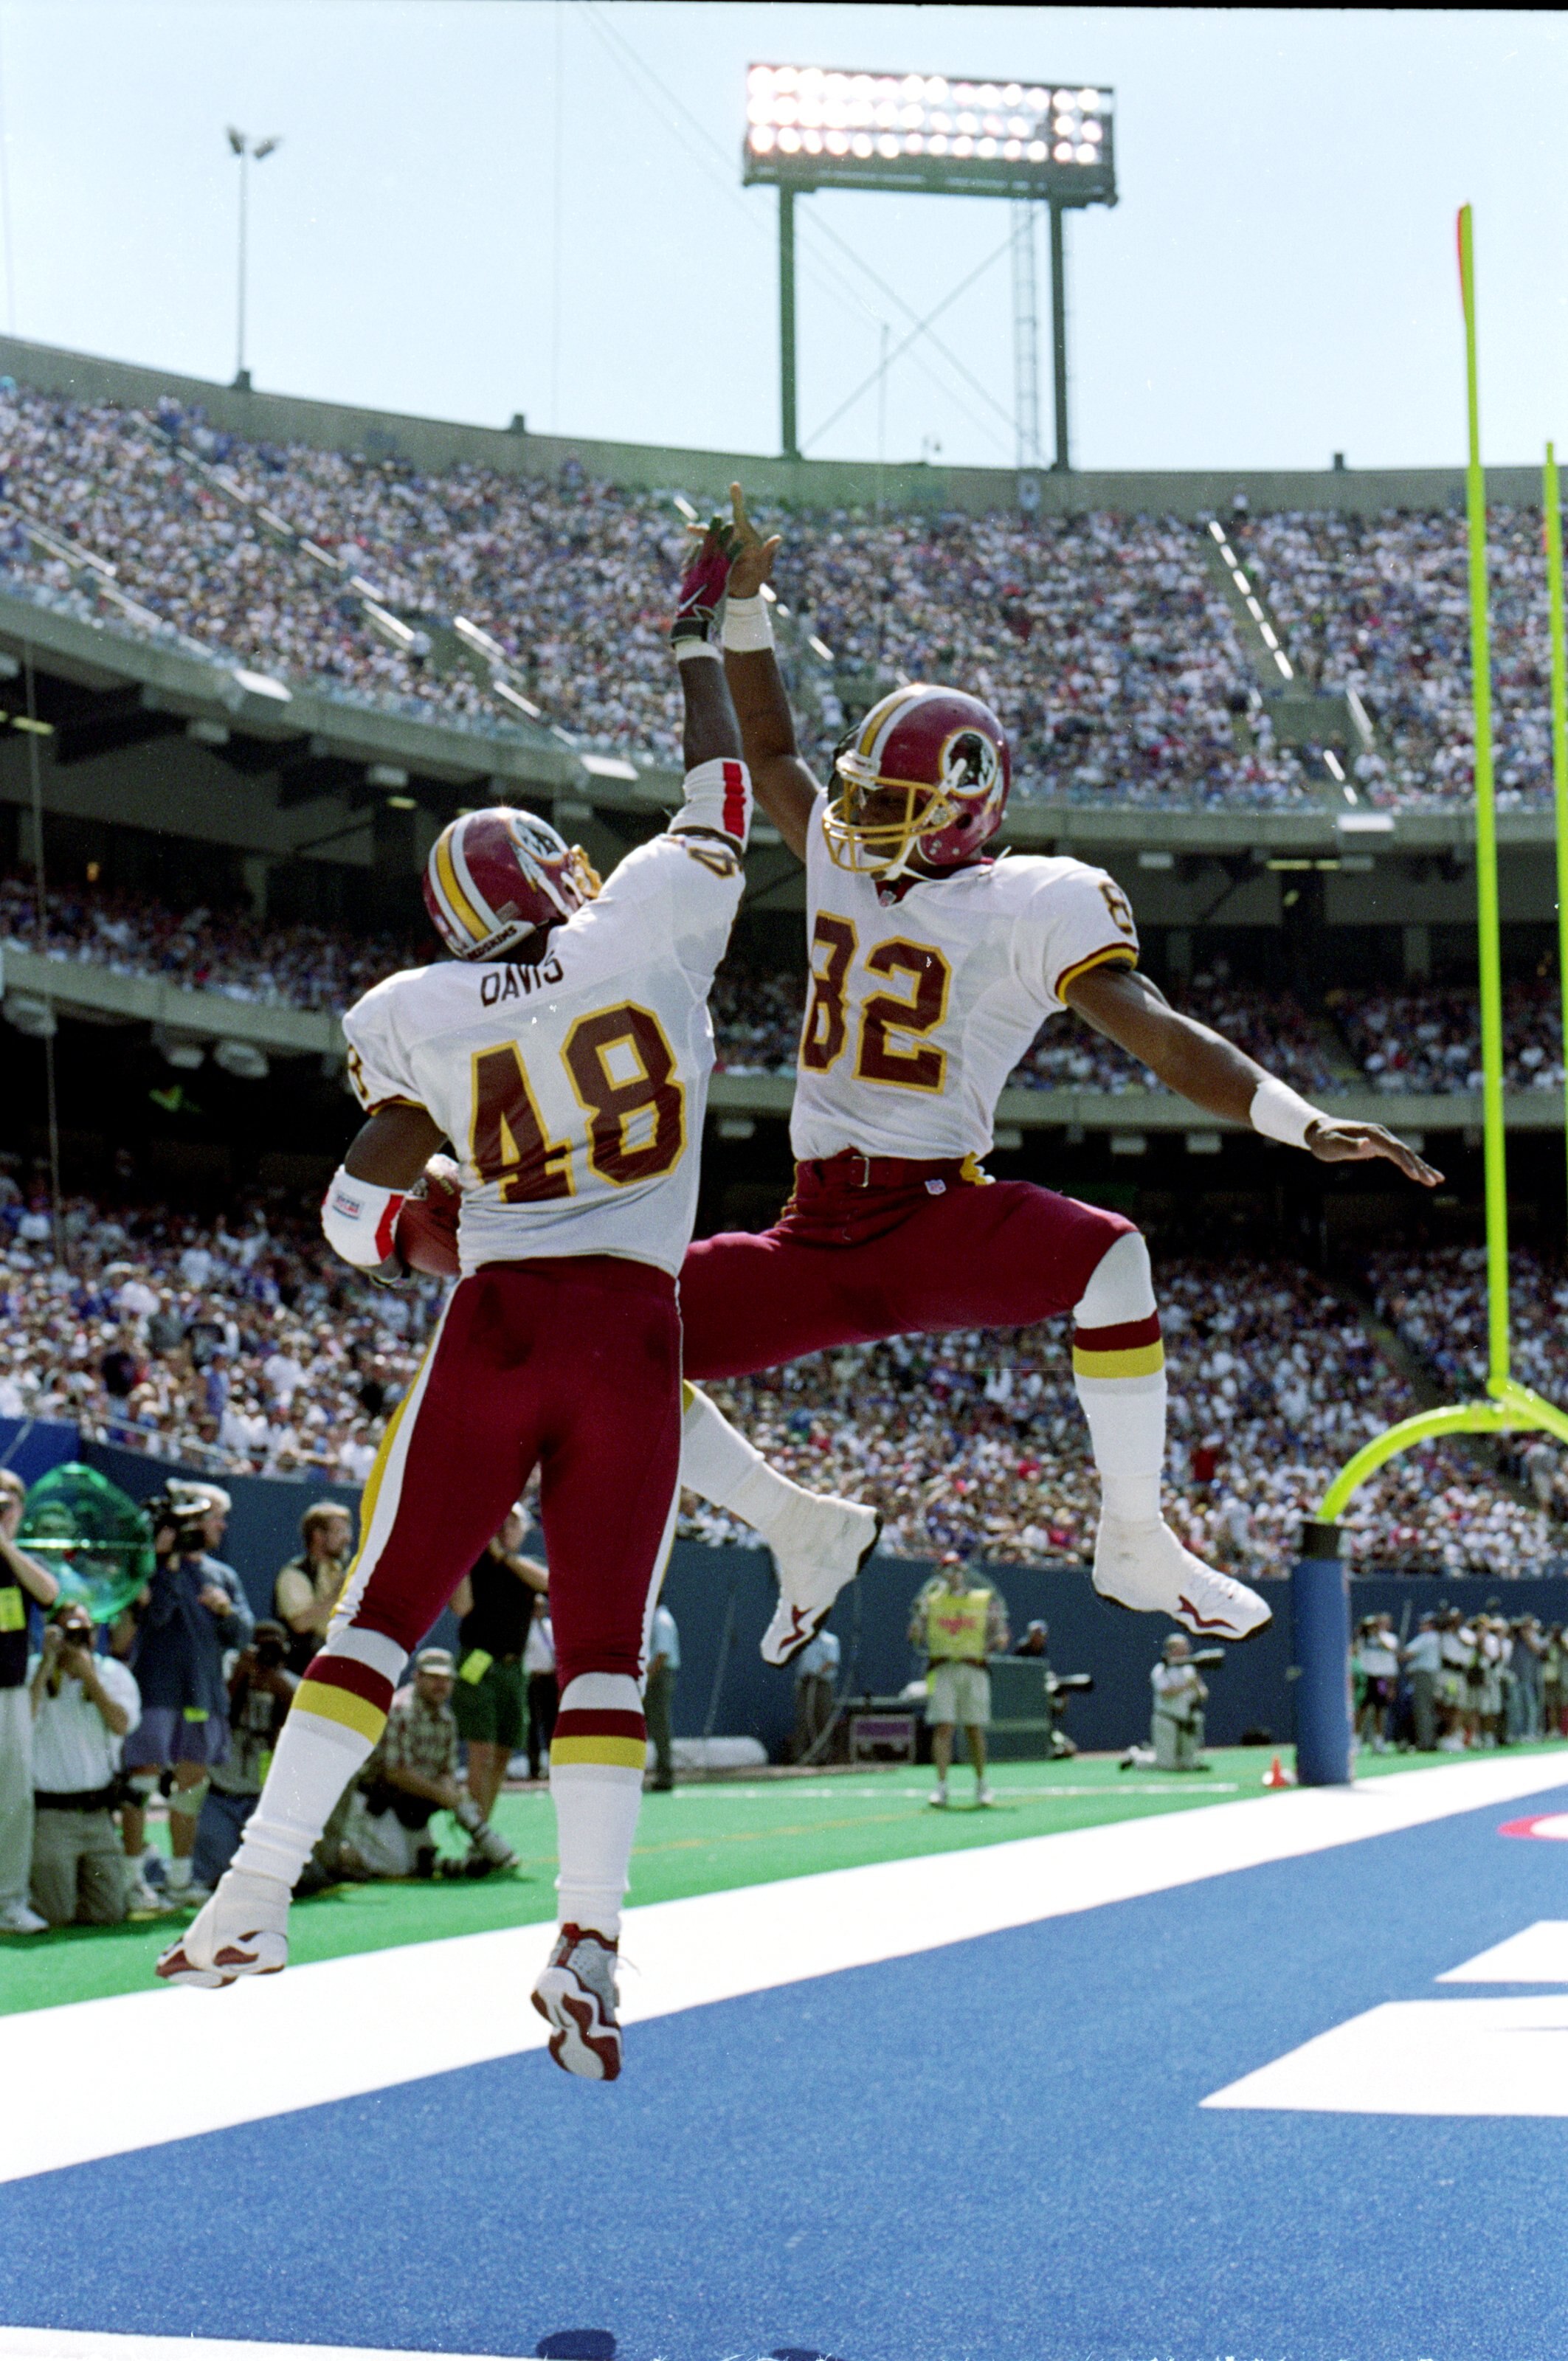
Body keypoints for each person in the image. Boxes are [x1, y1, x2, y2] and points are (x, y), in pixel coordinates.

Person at [161, 518, 759, 2084]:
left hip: (492, 1322)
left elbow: (352, 1210)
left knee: (378, 1622)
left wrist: (436, 1234)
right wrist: (698, 641)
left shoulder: (409, 1014)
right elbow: (728, 799)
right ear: (558, 873)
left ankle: (247, 1896)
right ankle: (589, 1940)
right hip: (634, 1328)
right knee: (604, 1648)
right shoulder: (643, 918)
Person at [671, 483, 1440, 1659]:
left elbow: (1152, 1027)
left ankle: (1134, 1540)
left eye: (895, 804)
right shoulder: (843, 850)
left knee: (1111, 1255)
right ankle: (794, 1523)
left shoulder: (1029, 905)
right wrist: (749, 607)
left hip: (931, 1212)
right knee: (607, 1326)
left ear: (968, 814)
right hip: (811, 1231)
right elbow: (771, 751)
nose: (860, 819)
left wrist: (1296, 1119)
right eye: (866, 794)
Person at [122, 1482, 252, 1906]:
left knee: (190, 1787)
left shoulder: (223, 1576)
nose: (222, 1525)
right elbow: (153, 1616)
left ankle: (180, 1879)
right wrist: (164, 1562)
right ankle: (131, 1880)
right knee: (141, 1782)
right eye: (214, 1516)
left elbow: (242, 1634)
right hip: (156, 1691)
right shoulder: (153, 1567)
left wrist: (224, 1610)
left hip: (203, 1697)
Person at [341, 1648, 511, 1879]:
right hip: (376, 1804)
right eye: (433, 1678)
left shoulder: (447, 1719)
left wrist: (454, 1798)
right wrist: (445, 1797)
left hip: (413, 1808)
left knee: (417, 1863)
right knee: (396, 1869)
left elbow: (446, 1771)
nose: (440, 1685)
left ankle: (443, 1861)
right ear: (417, 1677)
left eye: (446, 1679)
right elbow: (396, 1773)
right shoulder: (399, 1710)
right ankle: (341, 1853)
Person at [28, 1601, 140, 1926]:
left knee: (109, 1913)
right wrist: (48, 1663)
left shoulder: (110, 1673)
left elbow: (122, 1724)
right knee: (56, 1914)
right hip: (52, 1818)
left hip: (97, 1817)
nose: (77, 1639)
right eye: (68, 1631)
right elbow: (22, 1723)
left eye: (84, 1631)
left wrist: (90, 1677)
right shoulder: (35, 1669)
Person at [449, 1509, 547, 1822]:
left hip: (514, 1668)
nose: (506, 1528)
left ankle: (483, 1826)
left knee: (504, 1751)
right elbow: (461, 1607)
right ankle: (476, 1830)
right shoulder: (475, 1565)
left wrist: (504, 1557)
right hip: (478, 1662)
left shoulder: (524, 1567)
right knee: (482, 1751)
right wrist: (466, 1554)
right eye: (500, 1522)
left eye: (514, 1523)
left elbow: (548, 1583)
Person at [190, 1620, 297, 1894]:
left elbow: (304, 1732)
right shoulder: (228, 1675)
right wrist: (239, 1677)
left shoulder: (290, 1686)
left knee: (281, 1877)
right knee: (214, 1874)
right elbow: (210, 1720)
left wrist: (282, 1691)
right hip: (221, 1793)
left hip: (264, 1798)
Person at [0, 1466, 59, 1934]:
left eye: (9, 1506)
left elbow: (49, 1593)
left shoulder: (18, 1560)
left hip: (11, 1693)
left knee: (15, 1799)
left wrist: (3, 1545)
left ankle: (10, 1900)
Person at [909, 1553, 1009, 1808]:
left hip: (974, 1668)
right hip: (943, 1669)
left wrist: (997, 1640)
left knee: (974, 1729)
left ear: (964, 1572)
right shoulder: (931, 1601)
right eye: (947, 1569)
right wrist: (917, 1626)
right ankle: (941, 1787)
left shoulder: (981, 1600)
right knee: (943, 1727)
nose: (952, 1575)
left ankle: (981, 1785)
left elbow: (999, 1633)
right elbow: (915, 1636)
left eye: (956, 1569)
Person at [274, 1501, 356, 1676]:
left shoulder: (343, 1569)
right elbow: (300, 1624)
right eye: (339, 1532)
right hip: (303, 1669)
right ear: (318, 1536)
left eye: (348, 1531)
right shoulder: (295, 1574)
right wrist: (336, 1594)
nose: (347, 1539)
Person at [1150, 1634, 1209, 1772]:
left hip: (1187, 1720)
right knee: (1167, 1765)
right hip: (1167, 1719)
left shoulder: (1190, 1669)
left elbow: (1203, 1694)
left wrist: (1196, 1686)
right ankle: (1136, 1758)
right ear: (1172, 1650)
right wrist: (1187, 1686)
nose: (1186, 1650)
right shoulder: (1161, 1669)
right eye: (1182, 1648)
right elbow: (1165, 1692)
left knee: (1189, 1765)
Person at [792, 1623, 840, 1760]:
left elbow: (832, 1661)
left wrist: (817, 1672)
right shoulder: (803, 1640)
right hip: (805, 1684)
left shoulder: (830, 1641)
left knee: (822, 1718)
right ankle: (800, 1756)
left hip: (822, 1684)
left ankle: (823, 1756)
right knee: (803, 1718)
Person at [645, 1599, 679, 1791]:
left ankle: (665, 1775)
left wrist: (648, 1678)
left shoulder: (661, 1620)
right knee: (657, 1726)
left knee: (659, 1726)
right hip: (658, 1676)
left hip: (659, 1677)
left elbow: (662, 1653)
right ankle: (662, 1773)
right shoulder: (656, 1619)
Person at [524, 1589, 557, 1780]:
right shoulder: (526, 1629)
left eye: (544, 1607)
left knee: (551, 1724)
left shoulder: (550, 1627)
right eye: (537, 1607)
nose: (541, 1610)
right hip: (533, 1681)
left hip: (549, 1680)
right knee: (533, 1726)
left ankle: (554, 1767)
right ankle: (534, 1768)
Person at [1403, 1612, 1442, 1752]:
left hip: (1423, 1675)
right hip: (1431, 1675)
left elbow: (1407, 1654)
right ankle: (1429, 1740)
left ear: (1430, 1625)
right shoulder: (1436, 1638)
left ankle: (1425, 1742)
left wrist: (1398, 1653)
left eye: (1424, 1624)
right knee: (1429, 1709)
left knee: (1422, 1708)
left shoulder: (1427, 1638)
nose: (1421, 1626)